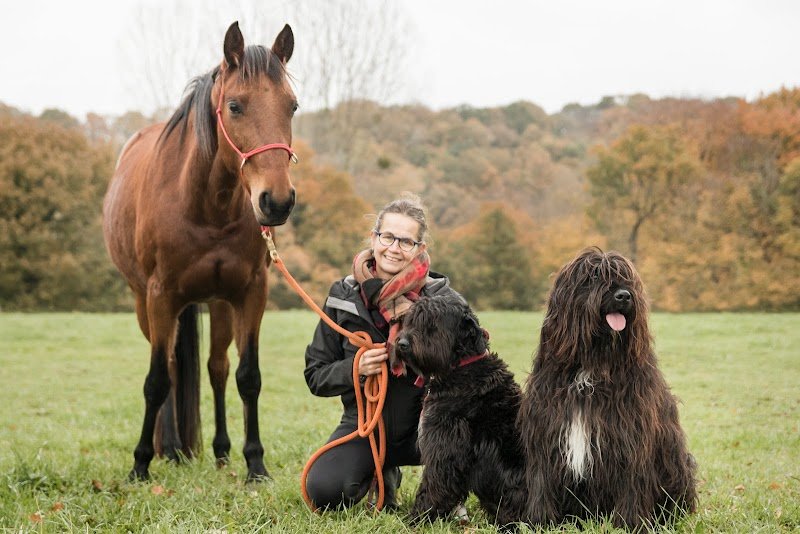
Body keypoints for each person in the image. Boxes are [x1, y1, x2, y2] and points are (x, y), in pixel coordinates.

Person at [303, 194, 462, 510]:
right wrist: (355, 368)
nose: (394, 248)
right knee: (325, 491)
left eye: (406, 242)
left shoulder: (445, 301)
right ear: (374, 238)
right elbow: (316, 374)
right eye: (388, 237)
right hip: (366, 427)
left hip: (431, 426)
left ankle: (448, 486)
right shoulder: (342, 297)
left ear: (420, 249)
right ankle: (381, 471)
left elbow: (472, 370)